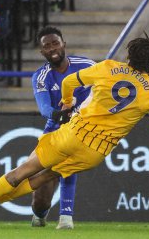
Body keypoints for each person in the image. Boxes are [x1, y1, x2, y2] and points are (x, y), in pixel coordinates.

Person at [0, 32, 149, 227]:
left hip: (73, 134)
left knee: (26, 169)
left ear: (129, 56)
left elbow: (68, 82)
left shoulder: (109, 67)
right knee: (46, 177)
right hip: (95, 152)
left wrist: (67, 102)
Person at [30, 26, 95, 229]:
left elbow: (108, 84)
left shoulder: (87, 66)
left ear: (63, 44)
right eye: (46, 46)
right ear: (42, 52)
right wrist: (59, 115)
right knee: (39, 192)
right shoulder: (41, 76)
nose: (52, 48)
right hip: (54, 129)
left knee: (69, 159)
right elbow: (44, 108)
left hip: (84, 128)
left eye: (55, 43)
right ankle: (40, 214)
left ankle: (66, 218)